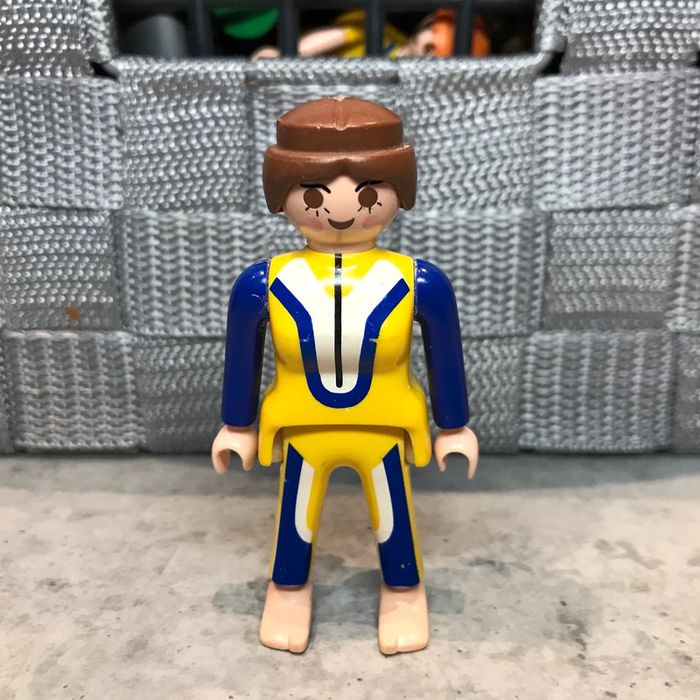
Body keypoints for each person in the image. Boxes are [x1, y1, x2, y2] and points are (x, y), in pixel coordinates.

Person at [211, 96, 479, 655]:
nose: (340, 209)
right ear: (283, 193)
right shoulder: (262, 283)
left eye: (367, 194)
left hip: (384, 423)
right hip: (301, 424)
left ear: (397, 192)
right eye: (313, 194)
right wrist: (236, 424)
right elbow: (243, 356)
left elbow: (445, 354)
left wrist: (454, 426)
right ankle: (288, 590)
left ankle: (403, 591)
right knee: (296, 512)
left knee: (392, 510)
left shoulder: (419, 281)